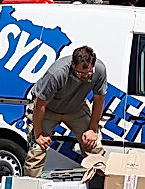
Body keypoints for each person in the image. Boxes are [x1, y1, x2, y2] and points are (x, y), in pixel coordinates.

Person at [25, 45, 106, 176]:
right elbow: (39, 105)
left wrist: (92, 129)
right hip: (48, 109)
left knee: (94, 146)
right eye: (81, 73)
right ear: (73, 65)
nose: (85, 76)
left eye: (88, 73)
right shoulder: (57, 73)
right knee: (37, 149)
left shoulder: (100, 70)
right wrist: (39, 135)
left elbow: (99, 100)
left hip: (76, 107)